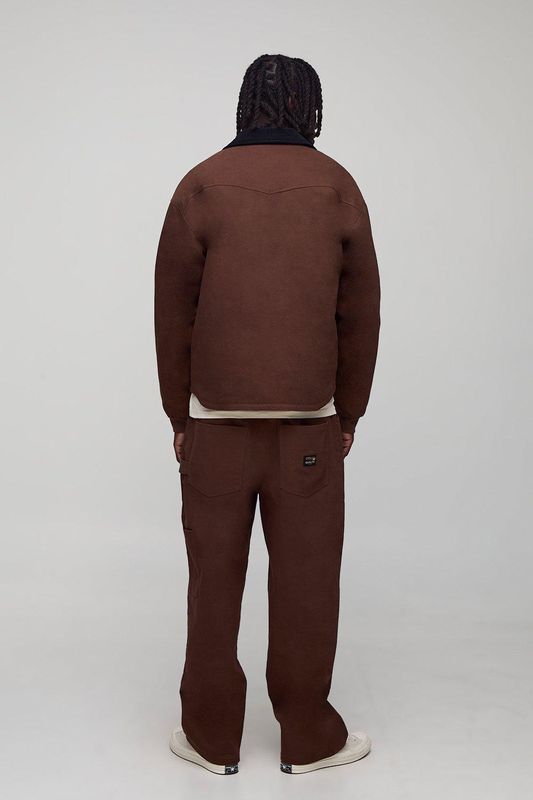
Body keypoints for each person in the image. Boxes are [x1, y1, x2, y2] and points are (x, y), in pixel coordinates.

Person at [154, 53, 381, 775]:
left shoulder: (200, 185)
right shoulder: (336, 186)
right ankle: (309, 739)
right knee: (307, 583)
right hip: (309, 425)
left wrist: (179, 416)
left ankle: (210, 738)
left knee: (212, 581)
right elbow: (360, 315)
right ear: (309, 107)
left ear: (244, 103)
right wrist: (349, 412)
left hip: (213, 424)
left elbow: (172, 315)